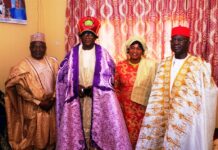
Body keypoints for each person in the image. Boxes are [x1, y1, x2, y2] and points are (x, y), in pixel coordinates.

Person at [136, 26, 218, 150]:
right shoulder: (163, 64)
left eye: (180, 40)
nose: (176, 43)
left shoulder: (198, 65)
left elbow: (209, 92)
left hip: (186, 119)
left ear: (188, 43)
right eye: (173, 40)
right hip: (162, 115)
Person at [56, 16, 132, 150]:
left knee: (96, 127)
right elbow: (62, 77)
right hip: (77, 99)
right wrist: (75, 86)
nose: (87, 37)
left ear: (96, 36)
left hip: (96, 99)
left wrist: (96, 88)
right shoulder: (72, 53)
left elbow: (111, 77)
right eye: (84, 34)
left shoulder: (103, 53)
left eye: (90, 34)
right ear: (80, 35)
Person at [5, 32, 58, 149]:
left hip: (51, 105)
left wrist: (53, 98)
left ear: (45, 48)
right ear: (30, 48)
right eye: (34, 46)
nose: (38, 49)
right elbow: (19, 90)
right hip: (33, 106)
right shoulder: (21, 66)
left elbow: (59, 83)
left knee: (51, 136)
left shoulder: (53, 62)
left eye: (41, 46)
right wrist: (39, 102)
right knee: (34, 139)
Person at [114, 36, 157, 148]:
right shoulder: (120, 65)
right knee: (125, 135)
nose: (135, 51)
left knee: (141, 136)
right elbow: (116, 88)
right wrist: (117, 108)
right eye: (132, 48)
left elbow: (154, 87)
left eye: (138, 48)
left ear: (143, 51)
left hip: (142, 108)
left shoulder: (150, 66)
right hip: (125, 109)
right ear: (128, 50)